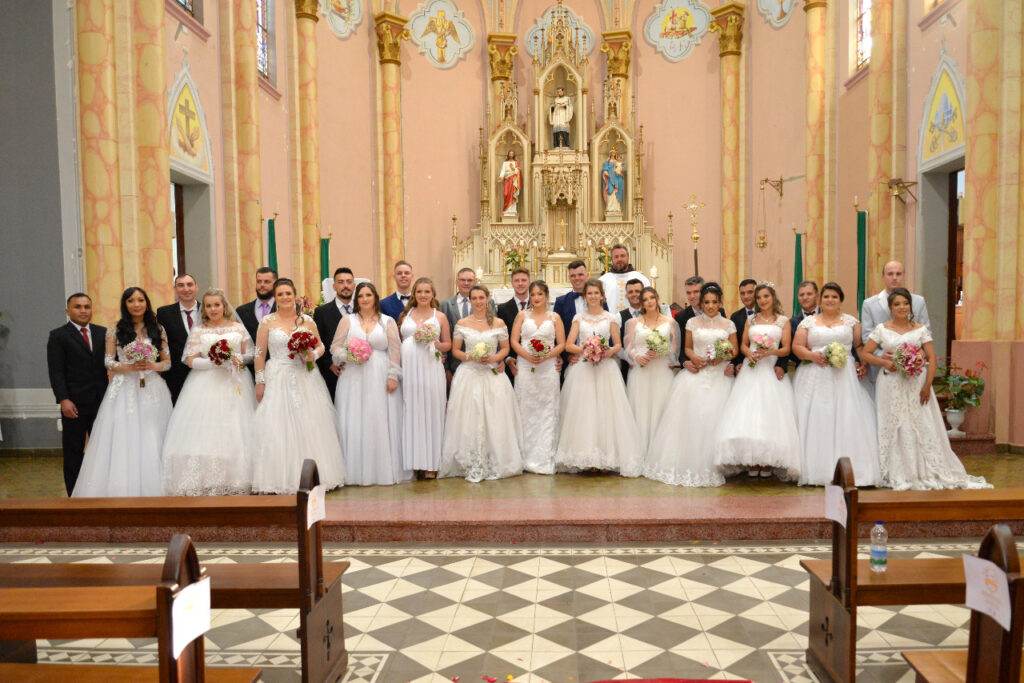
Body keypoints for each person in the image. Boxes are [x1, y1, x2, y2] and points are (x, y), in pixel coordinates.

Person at [861, 288, 989, 490]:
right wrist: (884, 363)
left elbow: (931, 359)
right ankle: (895, 470)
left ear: (910, 306)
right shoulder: (881, 329)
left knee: (919, 423)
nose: (902, 307)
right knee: (894, 422)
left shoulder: (920, 330)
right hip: (891, 383)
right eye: (897, 304)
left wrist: (927, 385)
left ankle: (925, 468)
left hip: (916, 383)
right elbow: (866, 354)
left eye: (905, 303)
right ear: (891, 308)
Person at [72, 287, 172, 497]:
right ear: (125, 304)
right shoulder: (115, 329)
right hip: (124, 389)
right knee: (124, 436)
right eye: (131, 300)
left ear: (146, 303)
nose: (136, 304)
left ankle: (156, 488)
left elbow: (167, 363)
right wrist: (128, 367)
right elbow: (108, 361)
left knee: (153, 435)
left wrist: (151, 366)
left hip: (152, 389)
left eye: (140, 300)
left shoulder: (157, 328)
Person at [251, 278, 345, 493]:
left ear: (295, 295)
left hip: (305, 377)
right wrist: (260, 381)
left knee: (309, 423)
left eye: (288, 293)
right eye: (280, 294)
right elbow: (259, 354)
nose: (285, 297)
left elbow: (321, 346)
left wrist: (312, 354)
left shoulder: (306, 321)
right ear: (275, 298)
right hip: (277, 375)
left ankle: (314, 476)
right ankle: (279, 477)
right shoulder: (267, 322)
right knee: (278, 425)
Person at [162, 288, 256, 495]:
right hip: (205, 384)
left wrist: (237, 359)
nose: (213, 309)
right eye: (208, 305)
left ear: (224, 306)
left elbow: (250, 354)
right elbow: (191, 360)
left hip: (235, 382)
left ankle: (236, 478)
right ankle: (206, 478)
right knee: (205, 431)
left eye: (217, 305)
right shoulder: (199, 331)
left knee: (236, 429)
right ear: (203, 308)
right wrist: (214, 362)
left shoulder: (238, 328)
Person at [645, 283, 736, 487]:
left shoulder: (728, 324)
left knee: (715, 417)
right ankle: (691, 459)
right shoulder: (692, 322)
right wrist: (694, 358)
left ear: (720, 303)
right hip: (697, 372)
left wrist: (722, 356)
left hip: (719, 374)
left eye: (714, 302)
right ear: (701, 303)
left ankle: (719, 462)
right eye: (706, 302)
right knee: (693, 417)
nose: (710, 306)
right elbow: (687, 347)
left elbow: (734, 350)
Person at [791, 282, 881, 487]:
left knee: (846, 416)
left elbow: (858, 346)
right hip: (815, 373)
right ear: (820, 299)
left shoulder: (851, 322)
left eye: (834, 297)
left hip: (844, 376)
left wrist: (862, 363)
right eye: (826, 297)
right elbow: (797, 346)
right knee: (817, 417)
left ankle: (853, 470)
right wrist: (812, 356)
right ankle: (816, 469)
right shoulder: (809, 323)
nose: (830, 300)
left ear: (840, 300)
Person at [712, 283, 801, 481]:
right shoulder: (751, 320)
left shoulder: (783, 321)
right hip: (751, 370)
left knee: (770, 416)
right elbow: (743, 344)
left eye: (766, 296)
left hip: (770, 370)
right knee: (749, 415)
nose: (762, 300)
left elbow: (786, 348)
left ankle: (768, 461)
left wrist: (771, 352)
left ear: (773, 297)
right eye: (759, 297)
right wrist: (749, 353)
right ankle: (752, 460)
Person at [554, 279, 643, 476]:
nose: (593, 296)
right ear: (585, 296)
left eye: (596, 293)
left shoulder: (611, 318)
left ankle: (607, 458)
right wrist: (586, 349)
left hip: (605, 369)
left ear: (602, 295)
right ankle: (586, 457)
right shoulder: (579, 318)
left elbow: (618, 344)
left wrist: (604, 351)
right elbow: (569, 344)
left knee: (606, 411)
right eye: (590, 293)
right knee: (585, 413)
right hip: (584, 370)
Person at [440, 284, 524, 482]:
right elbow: (455, 351)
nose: (478, 301)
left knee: (494, 415)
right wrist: (471, 357)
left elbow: (505, 348)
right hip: (468, 374)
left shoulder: (498, 322)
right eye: (474, 298)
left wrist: (495, 358)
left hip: (492, 373)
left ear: (488, 299)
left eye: (481, 297)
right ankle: (468, 459)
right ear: (470, 301)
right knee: (469, 415)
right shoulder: (462, 323)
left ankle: (494, 458)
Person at [331, 282, 410, 486]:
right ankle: (354, 471)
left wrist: (393, 375)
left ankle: (381, 469)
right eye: (361, 296)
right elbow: (335, 347)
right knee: (354, 418)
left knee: (378, 418)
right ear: (357, 300)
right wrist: (349, 355)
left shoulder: (387, 321)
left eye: (368, 295)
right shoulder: (347, 321)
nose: (365, 299)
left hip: (380, 373)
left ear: (375, 297)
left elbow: (395, 350)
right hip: (353, 376)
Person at [46, 293, 109, 495]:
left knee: (101, 450)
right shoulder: (58, 336)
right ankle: (74, 495)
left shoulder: (103, 333)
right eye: (78, 307)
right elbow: (56, 371)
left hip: (101, 401)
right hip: (74, 403)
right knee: (74, 451)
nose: (83, 311)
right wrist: (64, 399)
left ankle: (99, 490)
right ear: (68, 310)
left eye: (87, 307)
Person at [397, 278, 451, 480]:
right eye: (419, 292)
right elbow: (399, 341)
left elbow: (448, 344)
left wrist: (434, 343)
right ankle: (414, 462)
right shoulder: (405, 315)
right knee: (412, 411)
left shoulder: (441, 317)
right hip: (409, 369)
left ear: (433, 294)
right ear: (414, 294)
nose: (423, 295)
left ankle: (432, 464)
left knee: (431, 411)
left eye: (427, 291)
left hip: (430, 367)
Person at [510, 280, 565, 474]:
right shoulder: (522, 315)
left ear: (546, 295)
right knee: (526, 407)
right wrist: (528, 356)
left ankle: (544, 456)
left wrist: (546, 356)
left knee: (547, 409)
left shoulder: (555, 317)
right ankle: (523, 455)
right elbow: (514, 341)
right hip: (526, 366)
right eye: (533, 294)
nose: (536, 298)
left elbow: (561, 344)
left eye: (540, 294)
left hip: (548, 367)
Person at [861, 260, 932, 391]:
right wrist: (880, 354)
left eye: (898, 274)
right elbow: (866, 336)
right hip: (881, 371)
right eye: (890, 274)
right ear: (883, 277)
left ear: (904, 276)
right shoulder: (869, 304)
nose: (894, 278)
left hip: (913, 372)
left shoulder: (918, 301)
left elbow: (926, 332)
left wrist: (913, 357)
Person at [624, 287, 679, 453]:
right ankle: (639, 450)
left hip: (661, 370)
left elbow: (675, 349)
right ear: (641, 303)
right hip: (641, 371)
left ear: (657, 299)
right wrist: (636, 357)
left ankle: (660, 451)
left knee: (660, 407)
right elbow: (627, 348)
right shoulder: (634, 323)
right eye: (645, 299)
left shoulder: (670, 322)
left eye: (652, 298)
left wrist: (662, 352)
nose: (649, 301)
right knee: (641, 409)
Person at [441, 268, 494, 382]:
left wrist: (499, 360)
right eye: (462, 280)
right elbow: (443, 337)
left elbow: (495, 331)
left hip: (485, 363)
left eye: (469, 280)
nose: (466, 283)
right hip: (454, 364)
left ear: (475, 282)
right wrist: (446, 368)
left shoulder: (488, 303)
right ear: (457, 282)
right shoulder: (446, 305)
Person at [156, 273, 199, 404]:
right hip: (176, 375)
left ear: (196, 287)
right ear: (175, 289)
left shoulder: (208, 310)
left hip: (202, 373)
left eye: (189, 284)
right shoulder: (164, 313)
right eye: (181, 285)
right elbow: (160, 343)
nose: (186, 289)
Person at [313, 267, 355, 400]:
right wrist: (330, 365)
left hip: (359, 370)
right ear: (334, 286)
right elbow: (317, 341)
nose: (345, 286)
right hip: (334, 372)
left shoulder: (362, 310)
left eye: (349, 282)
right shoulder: (322, 312)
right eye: (341, 282)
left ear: (354, 285)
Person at [673, 275, 725, 372]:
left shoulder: (720, 311)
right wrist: (685, 362)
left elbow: (724, 340)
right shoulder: (681, 317)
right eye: (688, 293)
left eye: (696, 292)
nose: (692, 296)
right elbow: (679, 346)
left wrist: (721, 356)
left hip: (717, 365)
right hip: (693, 366)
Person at [236, 267, 278, 376]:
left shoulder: (284, 309)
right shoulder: (241, 311)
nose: (262, 285)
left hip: (278, 371)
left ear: (275, 284)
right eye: (259, 281)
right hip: (250, 372)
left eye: (267, 282)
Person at [498, 268, 531, 382]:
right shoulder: (502, 309)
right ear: (512, 283)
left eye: (523, 280)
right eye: (517, 280)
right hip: (513, 362)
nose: (520, 283)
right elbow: (500, 337)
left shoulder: (538, 305)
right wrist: (507, 359)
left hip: (537, 359)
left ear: (529, 282)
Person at [780, 280, 821, 373]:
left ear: (817, 296)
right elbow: (788, 350)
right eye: (801, 295)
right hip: (803, 369)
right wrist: (804, 353)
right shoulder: (791, 322)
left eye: (809, 294)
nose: (805, 297)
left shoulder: (829, 316)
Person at [598, 244, 651, 313]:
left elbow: (648, 300)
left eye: (622, 256)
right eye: (616, 257)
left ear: (628, 257)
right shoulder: (603, 280)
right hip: (611, 321)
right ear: (612, 259)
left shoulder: (641, 278)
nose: (619, 259)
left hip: (636, 320)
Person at [617, 278, 645, 382]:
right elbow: (617, 345)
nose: (634, 294)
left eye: (637, 291)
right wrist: (632, 359)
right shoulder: (619, 317)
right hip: (628, 367)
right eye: (630, 292)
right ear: (626, 295)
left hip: (651, 363)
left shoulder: (653, 314)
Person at [601, 149, 625, 215]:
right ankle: (610, 208)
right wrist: (605, 172)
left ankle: (617, 208)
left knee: (616, 192)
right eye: (612, 153)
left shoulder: (617, 161)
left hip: (616, 179)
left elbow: (620, 169)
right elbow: (605, 168)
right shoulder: (607, 161)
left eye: (614, 153)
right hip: (609, 179)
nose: (613, 154)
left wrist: (620, 172)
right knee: (610, 193)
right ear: (610, 153)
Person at [499, 149, 521, 218]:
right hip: (507, 179)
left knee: (512, 194)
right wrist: (500, 177)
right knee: (506, 194)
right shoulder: (505, 163)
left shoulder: (516, 162)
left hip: (513, 180)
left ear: (513, 155)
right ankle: (506, 210)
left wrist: (513, 168)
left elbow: (518, 171)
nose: (511, 155)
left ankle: (512, 210)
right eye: (510, 154)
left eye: (512, 154)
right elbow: (503, 171)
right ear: (508, 155)